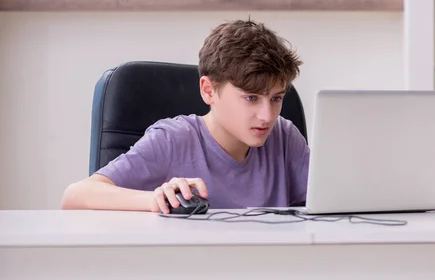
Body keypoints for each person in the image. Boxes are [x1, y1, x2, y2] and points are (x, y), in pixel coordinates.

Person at [61, 19, 310, 214]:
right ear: (208, 90)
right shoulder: (173, 140)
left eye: (276, 99)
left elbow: (337, 200)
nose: (267, 116)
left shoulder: (285, 137)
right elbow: (75, 196)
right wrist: (154, 199)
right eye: (251, 98)